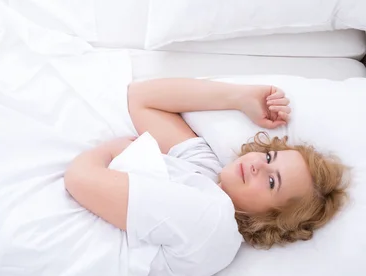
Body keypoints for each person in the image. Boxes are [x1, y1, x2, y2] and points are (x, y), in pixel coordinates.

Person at [65, 78, 348, 257]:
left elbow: (79, 179)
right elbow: (142, 97)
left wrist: (112, 149)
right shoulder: (206, 172)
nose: (257, 167)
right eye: (270, 157)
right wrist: (240, 98)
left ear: (269, 219)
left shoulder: (210, 221)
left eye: (272, 182)